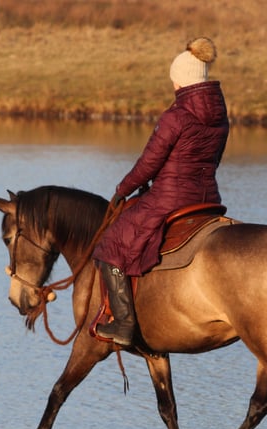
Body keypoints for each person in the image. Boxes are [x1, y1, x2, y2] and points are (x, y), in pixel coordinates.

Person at [92, 37, 229, 347]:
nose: (174, 88)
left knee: (112, 243)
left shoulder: (176, 116)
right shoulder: (220, 115)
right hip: (209, 200)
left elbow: (149, 164)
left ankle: (124, 323)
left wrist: (121, 191)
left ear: (180, 81)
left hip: (170, 198)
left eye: (174, 82)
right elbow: (214, 158)